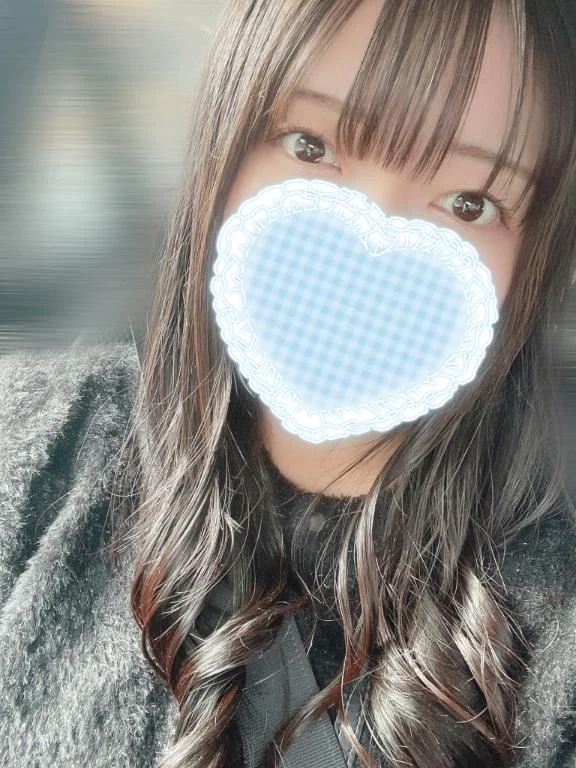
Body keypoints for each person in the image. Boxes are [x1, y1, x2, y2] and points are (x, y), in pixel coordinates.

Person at [1, 0, 576, 767]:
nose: (366, 239)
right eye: (311, 145)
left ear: (529, 267)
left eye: (469, 204)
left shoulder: (553, 631)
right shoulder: (35, 448)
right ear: (223, 149)